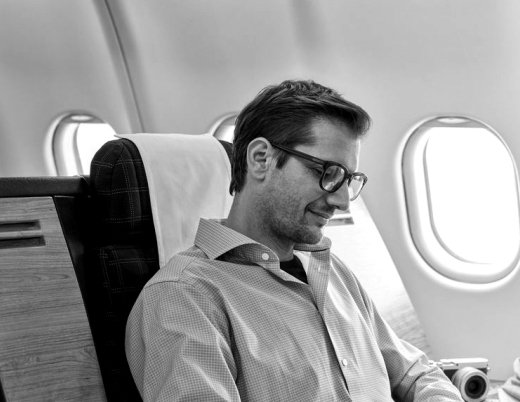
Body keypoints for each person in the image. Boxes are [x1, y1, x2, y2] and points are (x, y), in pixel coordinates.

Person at [125, 79, 463, 401]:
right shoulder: (185, 297)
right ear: (261, 159)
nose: (343, 201)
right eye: (327, 173)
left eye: (348, 179)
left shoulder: (331, 271)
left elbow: (416, 374)